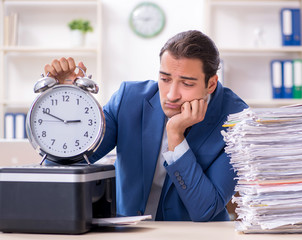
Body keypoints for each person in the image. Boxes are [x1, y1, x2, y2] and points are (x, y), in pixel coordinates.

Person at [44, 30, 248, 221]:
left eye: (187, 84)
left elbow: (205, 210)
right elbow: (65, 165)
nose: (171, 95)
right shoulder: (128, 100)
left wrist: (176, 135)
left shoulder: (236, 120)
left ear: (211, 84)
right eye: (165, 79)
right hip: (128, 232)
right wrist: (67, 100)